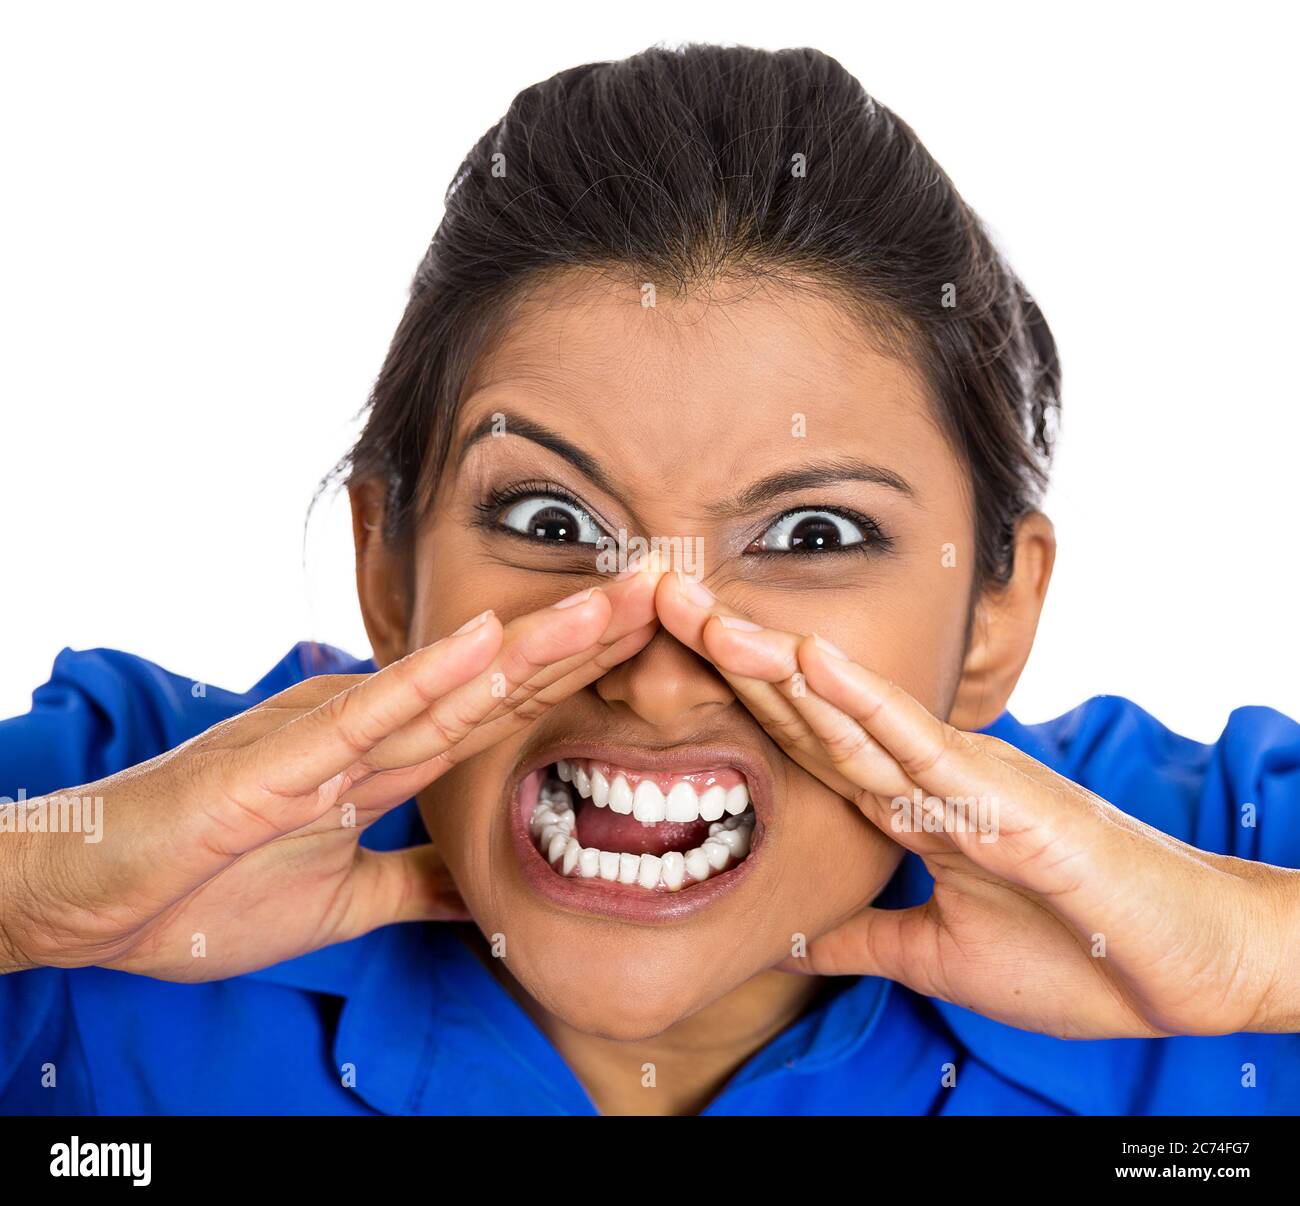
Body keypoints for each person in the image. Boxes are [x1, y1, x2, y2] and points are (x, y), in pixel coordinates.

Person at [2, 44, 1297, 1117]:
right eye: (551, 515)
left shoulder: (1222, 851)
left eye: (810, 538)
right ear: (387, 570)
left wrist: (1252, 953)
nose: (660, 670)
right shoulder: (104, 803)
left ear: (993, 619)